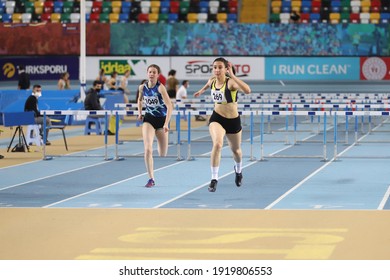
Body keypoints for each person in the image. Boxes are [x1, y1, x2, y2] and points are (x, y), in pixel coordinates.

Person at [193, 57, 251, 192]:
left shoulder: (231, 83)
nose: (217, 70)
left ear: (226, 69)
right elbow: (208, 85)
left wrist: (232, 75)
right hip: (217, 117)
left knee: (236, 151)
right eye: (215, 67)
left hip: (233, 120)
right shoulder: (212, 81)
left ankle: (238, 171)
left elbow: (248, 90)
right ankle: (214, 179)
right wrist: (201, 91)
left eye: (220, 67)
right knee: (217, 144)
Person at [137, 64, 173, 188]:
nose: (151, 74)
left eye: (154, 72)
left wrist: (166, 123)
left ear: (158, 75)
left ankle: (160, 141)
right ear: (147, 73)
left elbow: (170, 106)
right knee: (147, 149)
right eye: (150, 72)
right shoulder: (142, 87)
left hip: (162, 121)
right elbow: (139, 100)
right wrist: (140, 112)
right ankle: (151, 178)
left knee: (163, 153)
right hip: (149, 119)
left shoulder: (161, 88)